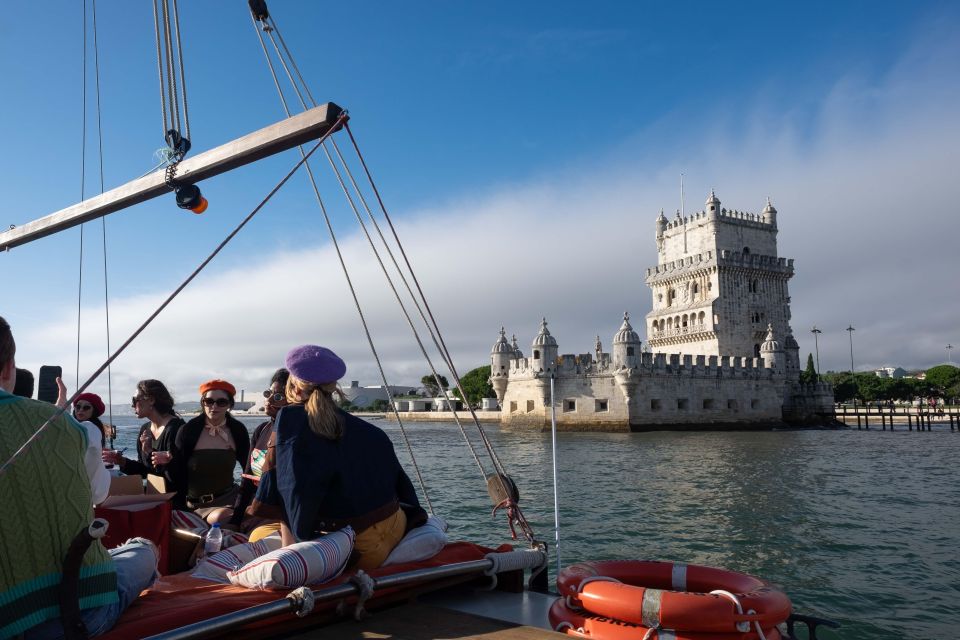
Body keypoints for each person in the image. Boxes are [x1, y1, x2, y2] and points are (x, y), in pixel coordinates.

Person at [0, 315, 158, 639]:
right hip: (77, 612)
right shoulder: (67, 427)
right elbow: (98, 495)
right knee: (143, 549)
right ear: (7, 368)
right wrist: (55, 418)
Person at [250, 345, 421, 570]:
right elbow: (401, 486)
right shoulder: (368, 430)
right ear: (334, 387)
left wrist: (292, 555)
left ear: (294, 386)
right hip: (396, 529)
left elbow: (291, 495)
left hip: (358, 549)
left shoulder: (291, 423)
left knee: (257, 535)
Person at [206, 368, 289, 534]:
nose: (269, 399)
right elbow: (247, 480)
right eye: (268, 393)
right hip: (256, 505)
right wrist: (235, 521)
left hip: (278, 513)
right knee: (218, 520)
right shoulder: (261, 430)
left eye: (278, 396)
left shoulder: (294, 435)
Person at [169, 379, 250, 520]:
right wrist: (163, 461)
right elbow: (176, 473)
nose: (214, 406)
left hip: (229, 501)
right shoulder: (188, 431)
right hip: (193, 506)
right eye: (209, 401)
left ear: (229, 405)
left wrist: (245, 502)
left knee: (221, 518)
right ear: (203, 403)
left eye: (221, 402)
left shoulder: (238, 431)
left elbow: (248, 470)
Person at [102, 380, 184, 485]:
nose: (132, 405)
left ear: (151, 400)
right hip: (154, 496)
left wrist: (149, 451)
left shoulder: (177, 429)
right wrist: (121, 461)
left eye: (135, 400)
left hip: (175, 498)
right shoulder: (145, 429)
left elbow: (178, 474)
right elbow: (144, 471)